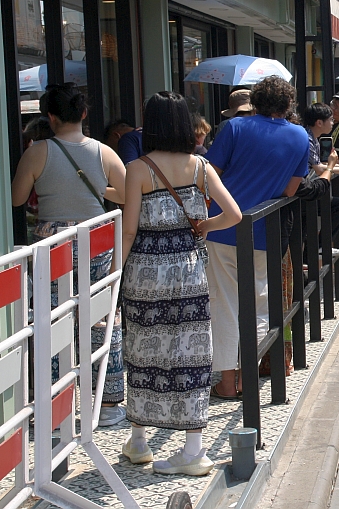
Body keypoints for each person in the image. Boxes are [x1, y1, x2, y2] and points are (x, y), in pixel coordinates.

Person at [119, 92, 241, 475]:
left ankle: (139, 441)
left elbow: (128, 231)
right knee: (189, 353)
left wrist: (114, 279)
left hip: (146, 276)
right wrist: (205, 226)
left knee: (143, 353)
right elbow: (234, 214)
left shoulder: (140, 168)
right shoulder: (201, 167)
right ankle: (193, 450)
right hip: (189, 274)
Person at [11, 84, 128, 426]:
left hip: (54, 243)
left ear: (50, 117)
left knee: (50, 320)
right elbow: (122, 192)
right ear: (84, 114)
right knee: (101, 318)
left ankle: (53, 407)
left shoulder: (37, 151)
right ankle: (106, 405)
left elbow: (18, 198)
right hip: (95, 238)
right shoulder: (103, 152)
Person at [204, 76, 309, 400]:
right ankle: (250, 374)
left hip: (221, 228)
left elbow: (210, 174)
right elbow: (291, 189)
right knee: (260, 303)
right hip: (266, 231)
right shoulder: (300, 136)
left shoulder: (235, 129)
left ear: (256, 101)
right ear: (288, 104)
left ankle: (227, 381)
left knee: (224, 304)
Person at [302, 103, 339, 236]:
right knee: (338, 207)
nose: (333, 123)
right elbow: (320, 168)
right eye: (331, 120)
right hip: (302, 190)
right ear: (319, 123)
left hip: (307, 187)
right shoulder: (307, 138)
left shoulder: (313, 138)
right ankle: (321, 247)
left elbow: (320, 164)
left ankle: (321, 247)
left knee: (338, 206)